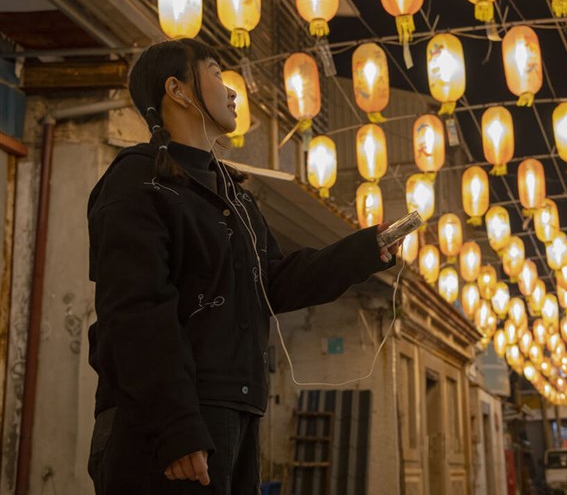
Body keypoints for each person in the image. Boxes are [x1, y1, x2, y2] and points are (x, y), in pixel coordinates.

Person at [86, 38, 400, 495]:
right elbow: (135, 312)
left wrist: (366, 249)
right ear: (178, 90)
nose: (231, 90)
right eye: (215, 72)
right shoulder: (137, 183)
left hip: (235, 409)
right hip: (164, 422)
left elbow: (272, 281)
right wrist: (174, 426)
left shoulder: (233, 194)